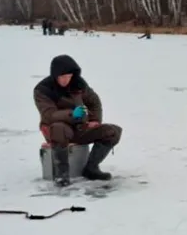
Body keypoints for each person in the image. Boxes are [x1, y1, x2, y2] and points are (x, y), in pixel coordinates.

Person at [33, 55, 122, 186]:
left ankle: (91, 168)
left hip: (80, 127)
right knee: (59, 128)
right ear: (55, 75)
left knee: (113, 131)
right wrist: (72, 114)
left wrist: (95, 120)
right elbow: (49, 115)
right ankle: (61, 174)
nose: (66, 80)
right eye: (62, 77)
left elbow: (94, 102)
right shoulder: (43, 90)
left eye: (69, 76)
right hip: (57, 130)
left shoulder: (78, 84)